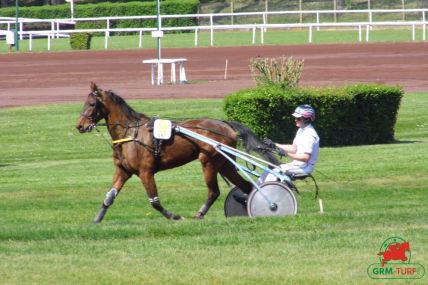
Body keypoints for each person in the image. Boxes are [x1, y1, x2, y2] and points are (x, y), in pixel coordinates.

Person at [259, 104, 320, 182]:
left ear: (307, 119)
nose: (295, 120)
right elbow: (294, 148)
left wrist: (286, 154)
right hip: (297, 165)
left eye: (298, 118)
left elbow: (305, 158)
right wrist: (274, 145)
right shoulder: (301, 130)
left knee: (275, 172)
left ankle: (265, 192)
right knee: (268, 171)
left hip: (305, 167)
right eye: (295, 118)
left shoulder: (310, 134)